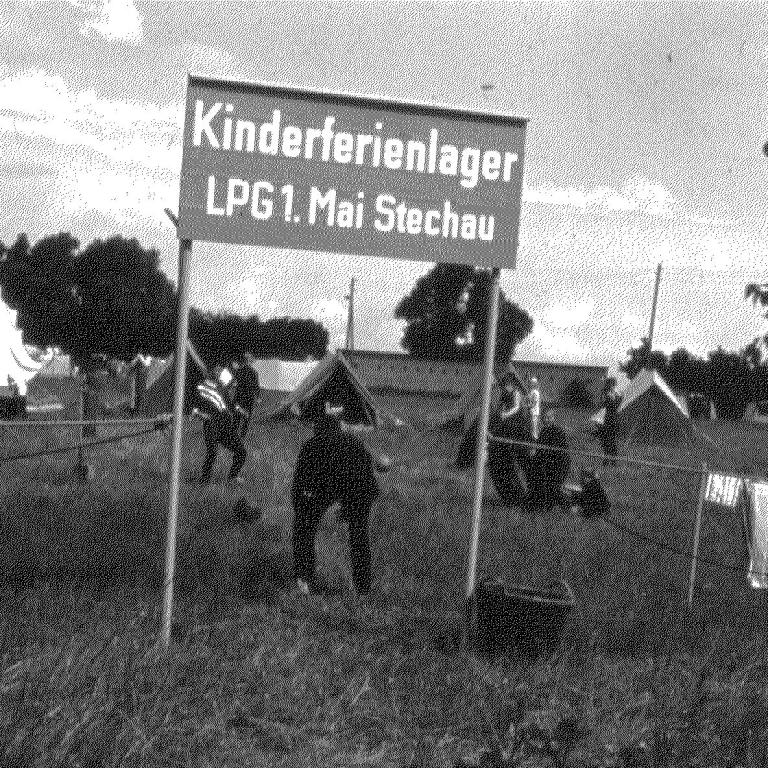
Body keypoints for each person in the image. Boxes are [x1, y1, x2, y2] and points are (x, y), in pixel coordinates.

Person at [291, 402, 385, 596]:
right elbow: (369, 473)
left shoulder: (312, 445)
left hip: (332, 486)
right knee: (359, 536)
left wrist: (302, 511)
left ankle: (304, 580)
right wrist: (349, 508)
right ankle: (363, 588)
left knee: (303, 530)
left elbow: (299, 485)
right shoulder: (353, 441)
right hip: (358, 489)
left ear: (317, 430)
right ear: (338, 428)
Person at [193, 366, 247, 484]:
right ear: (212, 373)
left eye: (221, 371)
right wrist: (201, 414)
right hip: (211, 424)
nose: (220, 373)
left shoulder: (221, 388)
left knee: (241, 451)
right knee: (212, 452)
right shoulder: (201, 387)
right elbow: (193, 408)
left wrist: (240, 410)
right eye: (218, 371)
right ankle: (204, 480)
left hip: (225, 424)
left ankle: (232, 477)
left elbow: (230, 405)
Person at [526, 407, 571, 509]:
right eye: (545, 417)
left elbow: (556, 452)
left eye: (549, 417)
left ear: (553, 418)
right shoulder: (543, 431)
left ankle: (567, 506)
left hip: (559, 464)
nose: (547, 420)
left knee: (552, 487)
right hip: (548, 464)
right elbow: (540, 450)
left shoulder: (558, 431)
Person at [231, 354, 261, 437]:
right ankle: (242, 435)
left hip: (239, 396)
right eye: (250, 360)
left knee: (237, 416)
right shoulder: (254, 372)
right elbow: (256, 386)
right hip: (248, 397)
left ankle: (234, 433)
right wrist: (258, 397)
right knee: (246, 417)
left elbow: (232, 382)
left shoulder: (238, 371)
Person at [597, 377, 621, 467]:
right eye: (612, 384)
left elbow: (615, 405)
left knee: (612, 441)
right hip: (608, 419)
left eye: (614, 385)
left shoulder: (614, 393)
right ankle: (607, 460)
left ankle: (612, 461)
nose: (613, 386)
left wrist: (616, 397)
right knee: (607, 441)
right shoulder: (606, 393)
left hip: (613, 420)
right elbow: (603, 404)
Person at [528, 376, 542, 440]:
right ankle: (532, 437)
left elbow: (534, 403)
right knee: (532, 425)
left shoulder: (535, 392)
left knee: (534, 426)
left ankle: (535, 438)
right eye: (531, 382)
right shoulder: (532, 391)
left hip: (534, 411)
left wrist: (528, 406)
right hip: (532, 411)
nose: (531, 384)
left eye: (532, 383)